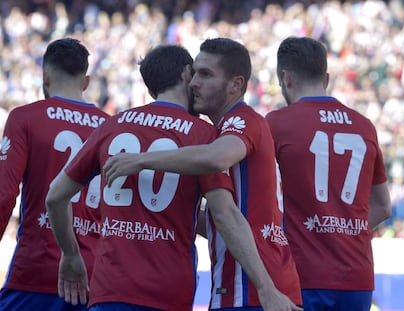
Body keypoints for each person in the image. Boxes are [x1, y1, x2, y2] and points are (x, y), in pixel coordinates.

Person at [45, 44, 295, 311]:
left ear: (152, 88)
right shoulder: (203, 135)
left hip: (110, 290)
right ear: (187, 75)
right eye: (197, 75)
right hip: (170, 292)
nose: (198, 83)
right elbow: (223, 214)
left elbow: (54, 197)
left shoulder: (112, 124)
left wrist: (71, 254)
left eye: (205, 75)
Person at [264, 36, 392, 311]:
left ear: (285, 78)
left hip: (302, 275)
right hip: (357, 277)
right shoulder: (364, 126)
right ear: (327, 77)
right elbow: (382, 206)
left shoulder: (276, 124)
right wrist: (341, 230)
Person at [0, 38, 109, 310]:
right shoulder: (111, 127)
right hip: (93, 275)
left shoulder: (25, 117)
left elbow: (4, 195)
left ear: (45, 76)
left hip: (36, 269)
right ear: (86, 81)